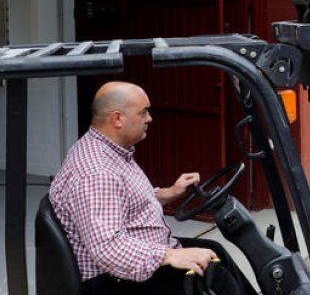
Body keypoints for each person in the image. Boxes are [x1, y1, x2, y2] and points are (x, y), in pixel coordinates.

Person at [49, 81, 253, 294]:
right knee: (214, 277)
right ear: (117, 119)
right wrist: (171, 256)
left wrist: (170, 192)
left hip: (135, 257)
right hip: (113, 280)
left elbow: (125, 203)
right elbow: (107, 248)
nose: (149, 118)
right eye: (143, 112)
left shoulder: (111, 151)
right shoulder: (97, 173)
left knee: (213, 250)